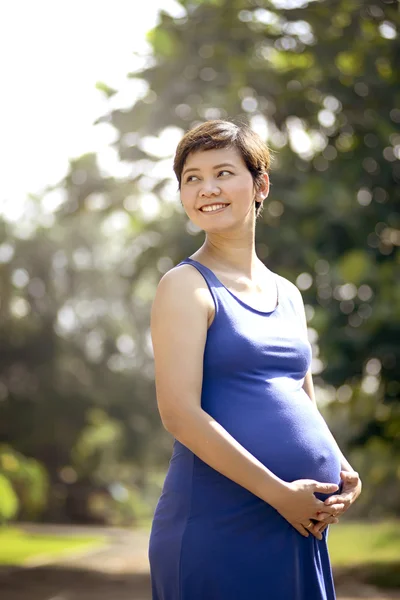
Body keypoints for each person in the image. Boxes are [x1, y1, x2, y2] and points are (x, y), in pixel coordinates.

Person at [148, 119, 362, 599]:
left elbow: (298, 397)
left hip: (294, 523)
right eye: (192, 178)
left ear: (260, 184)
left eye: (223, 172)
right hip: (218, 523)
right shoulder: (185, 286)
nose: (207, 188)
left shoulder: (287, 293)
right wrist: (278, 494)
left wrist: (343, 470)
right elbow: (179, 414)